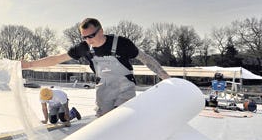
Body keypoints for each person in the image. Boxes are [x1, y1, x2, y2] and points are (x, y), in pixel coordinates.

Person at [22, 18, 170, 117]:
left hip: (124, 86)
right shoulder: (84, 48)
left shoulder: (121, 43)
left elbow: (145, 58)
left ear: (101, 31)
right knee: (102, 122)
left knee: (120, 118)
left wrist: (166, 77)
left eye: (91, 36)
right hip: (103, 88)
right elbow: (57, 58)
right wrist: (29, 64)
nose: (88, 40)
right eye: (84, 37)